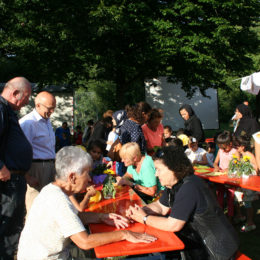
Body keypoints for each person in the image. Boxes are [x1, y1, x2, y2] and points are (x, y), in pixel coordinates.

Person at [17, 146, 156, 260]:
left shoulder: (51, 189)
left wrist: (102, 217)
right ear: (72, 177)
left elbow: (72, 216)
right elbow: (85, 241)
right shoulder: (59, 200)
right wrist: (125, 234)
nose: (90, 179)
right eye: (86, 174)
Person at [126, 146, 239, 259]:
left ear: (174, 168)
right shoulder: (175, 184)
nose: (156, 174)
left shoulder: (189, 187)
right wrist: (138, 211)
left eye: (158, 169)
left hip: (216, 252)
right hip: (198, 245)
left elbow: (173, 224)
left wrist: (144, 218)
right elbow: (160, 206)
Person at [0, 77, 33, 260]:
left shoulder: (9, 110)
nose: (28, 102)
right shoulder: (1, 108)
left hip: (16, 178)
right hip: (8, 181)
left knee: (14, 225)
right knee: (8, 226)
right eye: (26, 97)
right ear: (15, 93)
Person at [19, 92, 56, 195]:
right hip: (36, 168)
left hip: (49, 166)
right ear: (38, 105)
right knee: (34, 203)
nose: (52, 111)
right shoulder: (29, 123)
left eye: (54, 108)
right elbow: (22, 151)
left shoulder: (46, 120)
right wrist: (27, 177)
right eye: (49, 108)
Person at [233, 135, 258, 232]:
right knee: (237, 199)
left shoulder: (249, 155)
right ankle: (240, 216)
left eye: (237, 146)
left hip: (248, 184)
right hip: (241, 183)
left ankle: (250, 222)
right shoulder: (241, 155)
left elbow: (255, 168)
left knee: (247, 203)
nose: (235, 148)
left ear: (242, 146)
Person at [213, 131, 240, 220]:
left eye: (225, 148)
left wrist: (228, 169)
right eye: (221, 148)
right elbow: (215, 162)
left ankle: (230, 216)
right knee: (219, 196)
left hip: (231, 178)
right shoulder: (221, 150)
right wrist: (216, 167)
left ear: (230, 143)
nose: (223, 150)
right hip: (220, 178)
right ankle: (220, 215)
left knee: (230, 198)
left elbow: (238, 165)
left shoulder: (234, 152)